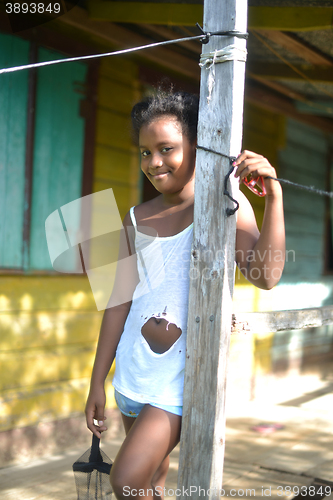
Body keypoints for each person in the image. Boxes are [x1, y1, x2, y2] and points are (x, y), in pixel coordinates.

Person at [85, 90, 285, 499]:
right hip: (132, 376)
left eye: (166, 149)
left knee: (124, 481)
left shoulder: (224, 207)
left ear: (195, 146)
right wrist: (97, 381)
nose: (153, 162)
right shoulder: (137, 217)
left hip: (178, 385)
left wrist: (275, 196)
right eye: (145, 152)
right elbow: (119, 301)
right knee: (151, 484)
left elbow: (265, 276)